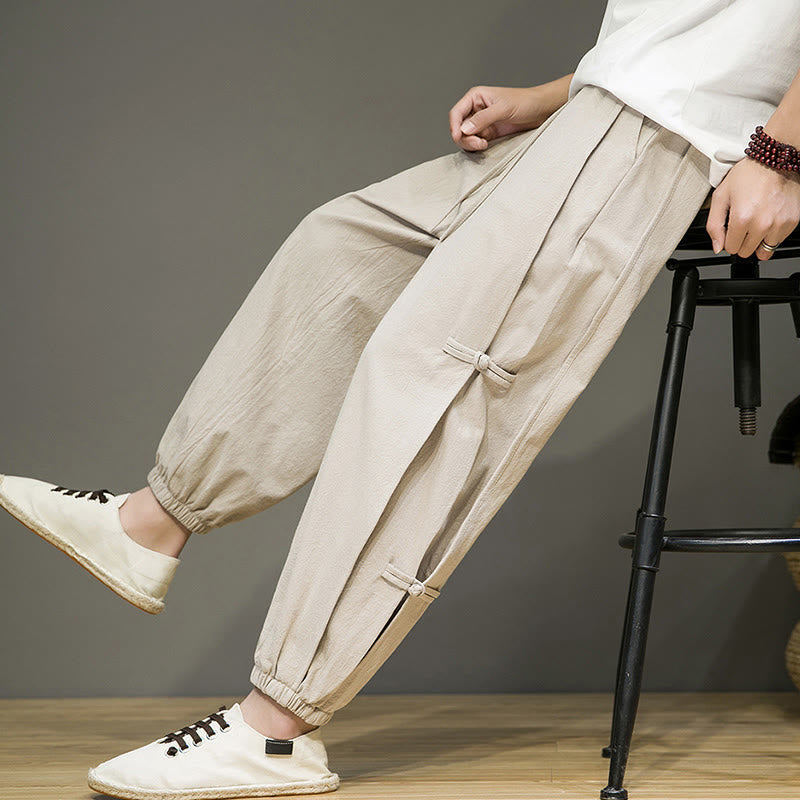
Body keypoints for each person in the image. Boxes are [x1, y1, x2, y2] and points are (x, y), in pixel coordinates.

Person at [2, 1, 799, 798]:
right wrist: (556, 94)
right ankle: (153, 522)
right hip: (606, 112)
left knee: (436, 380)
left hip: (677, 142)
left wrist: (781, 153)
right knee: (344, 247)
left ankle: (275, 730)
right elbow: (706, 32)